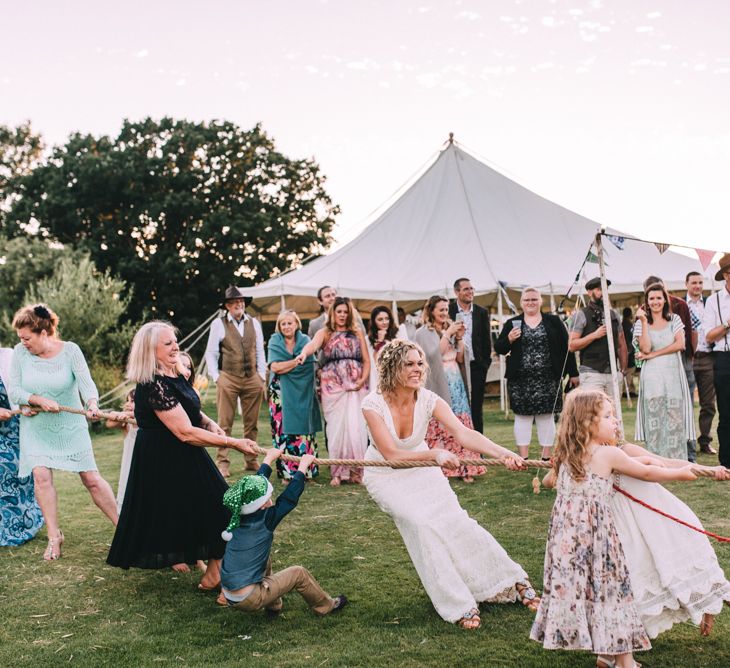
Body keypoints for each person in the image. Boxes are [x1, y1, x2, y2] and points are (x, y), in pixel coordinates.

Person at [362, 339, 539, 629]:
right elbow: (392, 456)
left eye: (420, 363)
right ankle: (456, 602)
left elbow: (464, 434)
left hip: (423, 469)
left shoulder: (429, 399)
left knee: (456, 521)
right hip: (386, 474)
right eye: (409, 364)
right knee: (422, 526)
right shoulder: (372, 404)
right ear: (392, 368)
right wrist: (435, 454)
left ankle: (509, 579)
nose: (417, 369)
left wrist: (504, 453)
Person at [530, 390, 697, 668]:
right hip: (598, 541)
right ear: (587, 423)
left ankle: (612, 657)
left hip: (566, 542)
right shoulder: (607, 454)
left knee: (598, 595)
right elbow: (645, 473)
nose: (615, 422)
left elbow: (549, 482)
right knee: (614, 594)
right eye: (608, 416)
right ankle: (624, 661)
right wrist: (679, 473)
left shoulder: (568, 455)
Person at [107, 321, 257, 594]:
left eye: (174, 341)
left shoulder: (175, 374)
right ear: (150, 350)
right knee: (214, 507)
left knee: (218, 507)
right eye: (168, 343)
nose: (175, 346)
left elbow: (189, 408)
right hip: (164, 460)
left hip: (185, 455)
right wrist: (233, 442)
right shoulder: (152, 385)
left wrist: (209, 421)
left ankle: (214, 573)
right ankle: (215, 573)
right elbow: (185, 431)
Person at [9, 304, 118, 560]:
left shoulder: (70, 351)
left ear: (44, 332)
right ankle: (54, 536)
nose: (23, 343)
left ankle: (123, 528)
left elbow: (86, 384)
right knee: (41, 477)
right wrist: (36, 399)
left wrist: (92, 404)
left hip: (70, 427)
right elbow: (14, 390)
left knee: (91, 479)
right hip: (36, 427)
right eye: (20, 338)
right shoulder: (20, 353)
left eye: (27, 337)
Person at [219, 449, 347, 616]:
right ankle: (326, 606)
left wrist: (268, 458)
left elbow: (253, 487)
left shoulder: (238, 514)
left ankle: (273, 606)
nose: (271, 497)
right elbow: (288, 498)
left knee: (265, 559)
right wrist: (302, 468)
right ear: (262, 505)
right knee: (298, 573)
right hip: (250, 597)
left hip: (229, 593)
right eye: (269, 496)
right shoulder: (266, 519)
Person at [494, 287, 579, 460]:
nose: (530, 303)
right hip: (520, 380)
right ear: (521, 303)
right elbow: (499, 348)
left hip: (548, 378)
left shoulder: (554, 322)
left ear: (541, 301)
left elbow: (566, 348)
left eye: (534, 299)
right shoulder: (512, 323)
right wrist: (509, 339)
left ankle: (546, 458)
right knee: (522, 417)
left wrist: (573, 372)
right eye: (527, 300)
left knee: (547, 417)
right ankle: (523, 458)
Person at [295, 297, 369, 486]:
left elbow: (366, 360)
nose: (342, 315)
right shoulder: (325, 332)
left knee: (356, 428)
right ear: (332, 313)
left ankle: (356, 471)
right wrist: (304, 353)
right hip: (332, 387)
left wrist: (362, 380)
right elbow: (312, 345)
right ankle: (337, 472)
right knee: (335, 429)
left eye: (345, 312)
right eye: (339, 312)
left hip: (355, 386)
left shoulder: (357, 332)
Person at [415, 296, 485, 482]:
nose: (445, 313)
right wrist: (448, 334)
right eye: (441, 310)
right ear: (431, 311)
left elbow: (461, 358)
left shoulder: (450, 328)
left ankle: (465, 467)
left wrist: (459, 339)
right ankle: (441, 467)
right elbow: (432, 355)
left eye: (446, 310)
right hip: (438, 381)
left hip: (455, 379)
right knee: (441, 422)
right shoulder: (423, 332)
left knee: (460, 423)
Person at [204, 286, 265, 477]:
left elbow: (260, 350)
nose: (239, 304)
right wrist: (217, 377)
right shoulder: (218, 324)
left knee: (251, 422)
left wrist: (261, 375)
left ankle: (251, 459)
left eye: (241, 301)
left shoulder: (254, 323)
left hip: (252, 378)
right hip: (228, 377)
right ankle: (222, 462)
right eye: (235, 302)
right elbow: (211, 353)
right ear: (228, 306)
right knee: (224, 422)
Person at [633, 283, 696, 460]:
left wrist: (654, 354)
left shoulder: (674, 319)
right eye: (651, 298)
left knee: (675, 418)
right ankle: (656, 461)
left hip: (673, 375)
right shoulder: (641, 323)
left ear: (664, 299)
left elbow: (680, 344)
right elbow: (644, 348)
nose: (655, 302)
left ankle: (677, 461)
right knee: (655, 419)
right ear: (646, 301)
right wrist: (644, 321)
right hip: (652, 377)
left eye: (658, 298)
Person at [267, 310, 320, 482]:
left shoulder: (305, 341)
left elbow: (309, 364)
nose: (287, 326)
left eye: (290, 323)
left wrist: (287, 366)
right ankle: (287, 473)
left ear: (297, 324)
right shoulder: (275, 340)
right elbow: (275, 367)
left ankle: (307, 471)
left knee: (305, 431)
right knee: (282, 432)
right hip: (280, 393)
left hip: (303, 391)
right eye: (283, 323)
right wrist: (295, 362)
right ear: (279, 327)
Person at [0, 347, 44, 546]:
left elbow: (22, 387)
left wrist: (27, 403)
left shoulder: (9, 356)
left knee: (22, 474)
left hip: (15, 427)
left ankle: (25, 524)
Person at [568, 277, 628, 396]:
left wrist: (623, 370)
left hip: (613, 373)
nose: (603, 293)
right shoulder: (581, 314)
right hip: (591, 373)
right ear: (590, 292)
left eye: (605, 290)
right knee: (593, 412)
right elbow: (571, 346)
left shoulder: (614, 315)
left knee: (613, 412)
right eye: (599, 289)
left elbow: (622, 344)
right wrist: (594, 335)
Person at [449, 278, 492, 434]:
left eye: (471, 288)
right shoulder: (448, 310)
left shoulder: (481, 312)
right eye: (466, 289)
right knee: (455, 407)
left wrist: (484, 365)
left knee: (476, 409)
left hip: (476, 367)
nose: (470, 292)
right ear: (457, 292)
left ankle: (478, 452)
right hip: (454, 367)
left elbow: (487, 342)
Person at [687, 270, 718, 455]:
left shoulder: (710, 303)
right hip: (689, 357)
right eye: (694, 283)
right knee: (687, 402)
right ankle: (688, 441)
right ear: (687, 284)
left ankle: (705, 441)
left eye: (700, 282)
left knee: (708, 403)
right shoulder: (681, 304)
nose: (697, 286)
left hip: (707, 356)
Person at [703, 252, 730, 468]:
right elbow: (709, 336)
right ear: (726, 274)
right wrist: (728, 324)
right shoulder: (714, 301)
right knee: (726, 411)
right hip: (724, 358)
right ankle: (727, 460)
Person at [105, 389, 137, 512]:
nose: (128, 404)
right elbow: (109, 423)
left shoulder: (146, 421)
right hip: (128, 467)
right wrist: (117, 414)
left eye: (133, 401)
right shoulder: (126, 424)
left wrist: (130, 415)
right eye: (127, 401)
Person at [367, 305, 400, 391]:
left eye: (387, 318)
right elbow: (375, 361)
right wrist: (380, 342)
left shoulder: (397, 335)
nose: (384, 322)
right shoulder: (368, 339)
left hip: (396, 376)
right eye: (380, 319)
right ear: (374, 321)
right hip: (377, 378)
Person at [621, 307, 637, 397]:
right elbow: (629, 339)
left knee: (630, 371)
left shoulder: (625, 324)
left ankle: (631, 390)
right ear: (629, 314)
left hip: (629, 351)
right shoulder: (626, 325)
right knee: (629, 371)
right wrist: (629, 351)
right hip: (628, 352)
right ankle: (626, 391)